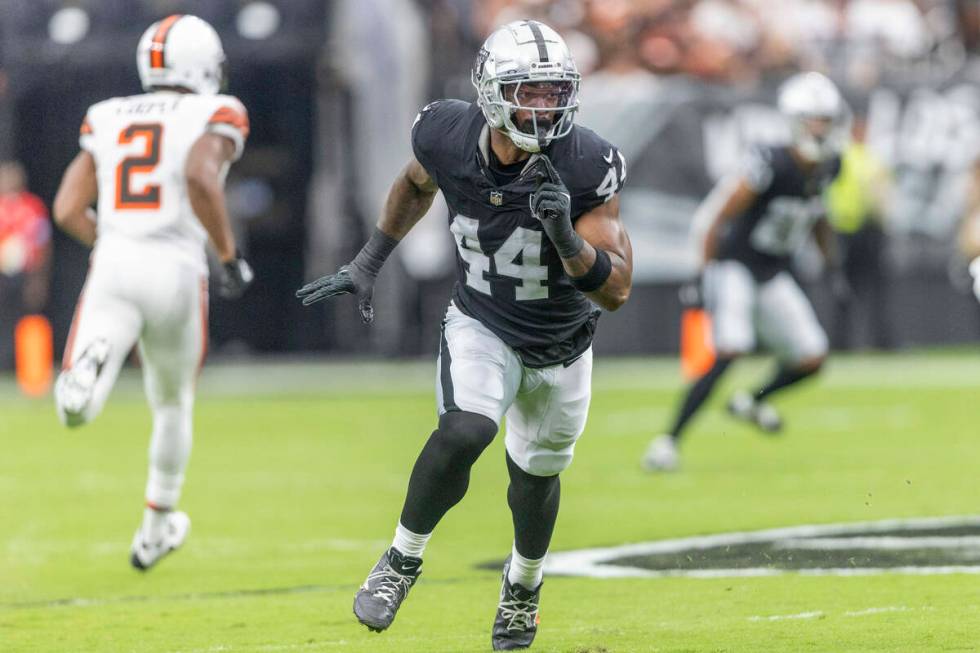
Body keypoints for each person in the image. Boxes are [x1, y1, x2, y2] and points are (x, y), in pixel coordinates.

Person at [297, 20, 631, 651]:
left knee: (534, 478)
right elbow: (414, 184)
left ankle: (523, 587)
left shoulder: (587, 161)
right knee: (466, 428)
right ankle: (400, 561)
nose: (544, 105)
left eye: (552, 92)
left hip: (564, 341)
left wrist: (565, 235)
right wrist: (370, 260)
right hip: (482, 320)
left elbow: (615, 291)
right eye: (527, 92)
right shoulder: (446, 134)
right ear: (490, 91)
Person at [52, 15, 254, 571]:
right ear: (203, 65)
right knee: (172, 403)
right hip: (176, 271)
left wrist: (116, 242)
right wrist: (230, 257)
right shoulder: (216, 111)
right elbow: (198, 175)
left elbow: (68, 208)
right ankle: (156, 524)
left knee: (76, 410)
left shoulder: (108, 115)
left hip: (114, 265)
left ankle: (91, 366)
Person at [643, 71, 846, 473]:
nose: (820, 127)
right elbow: (713, 215)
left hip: (772, 271)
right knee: (731, 347)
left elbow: (819, 215)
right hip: (734, 264)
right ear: (793, 119)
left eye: (826, 119)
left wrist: (832, 265)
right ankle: (668, 441)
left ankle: (751, 401)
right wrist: (700, 272)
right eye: (813, 118)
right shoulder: (769, 161)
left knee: (812, 355)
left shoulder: (830, 164)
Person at [0, 161, 51, 370]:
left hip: (25, 274)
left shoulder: (33, 206)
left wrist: (39, 279)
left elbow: (43, 243)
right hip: (3, 274)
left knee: (26, 321)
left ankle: (27, 368)